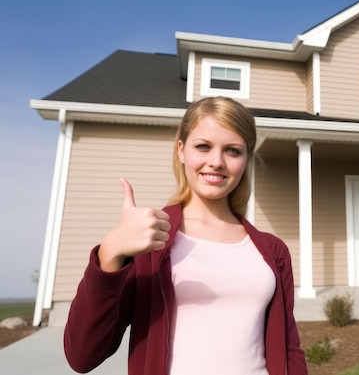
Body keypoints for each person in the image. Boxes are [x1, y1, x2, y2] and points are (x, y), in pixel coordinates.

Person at [64, 96, 308, 375]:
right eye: (203, 146)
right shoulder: (149, 243)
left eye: (232, 151)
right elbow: (82, 356)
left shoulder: (272, 250)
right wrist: (109, 253)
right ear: (181, 150)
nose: (216, 162)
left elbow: (289, 348)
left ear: (246, 159)